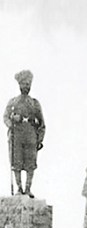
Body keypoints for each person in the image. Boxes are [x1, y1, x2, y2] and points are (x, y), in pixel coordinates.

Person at [4, 70, 46, 198]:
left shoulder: (35, 103)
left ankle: (28, 189)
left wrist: (39, 139)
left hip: (31, 135)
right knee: (16, 163)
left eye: (28, 84)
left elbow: (42, 123)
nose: (26, 87)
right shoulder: (13, 102)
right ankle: (19, 188)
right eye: (24, 84)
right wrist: (12, 121)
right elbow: (5, 117)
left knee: (30, 164)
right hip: (17, 135)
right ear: (19, 85)